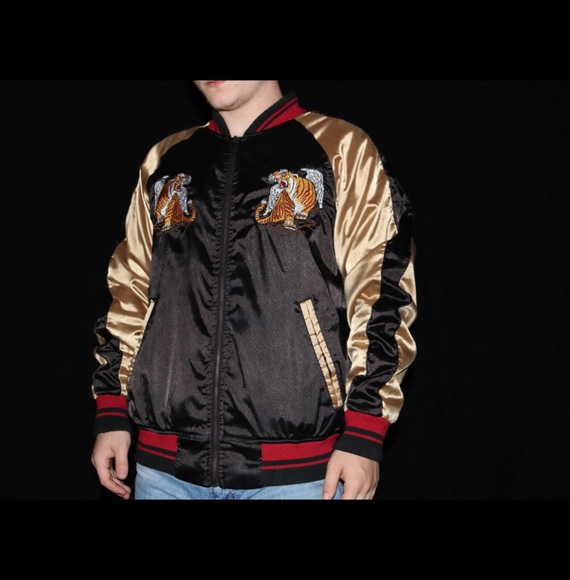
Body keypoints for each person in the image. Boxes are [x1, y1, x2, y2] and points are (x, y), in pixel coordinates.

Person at [90, 80, 418, 500]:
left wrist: (366, 428)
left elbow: (383, 290)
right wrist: (112, 407)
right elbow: (129, 291)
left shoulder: (342, 148)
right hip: (163, 471)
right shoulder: (165, 160)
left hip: (300, 476)